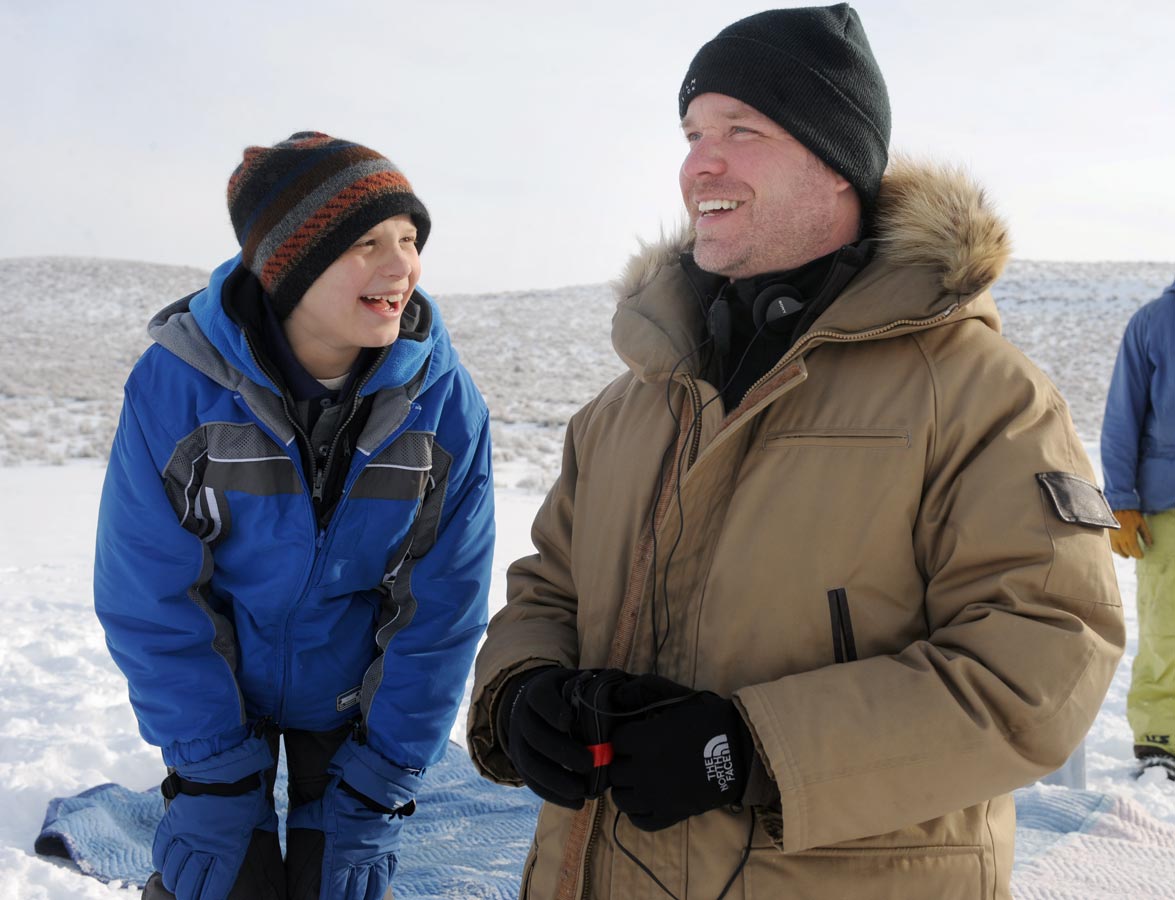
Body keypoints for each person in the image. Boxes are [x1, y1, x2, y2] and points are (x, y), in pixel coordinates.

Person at [466, 6, 1124, 899]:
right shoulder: (629, 403)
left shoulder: (976, 394)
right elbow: (548, 587)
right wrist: (521, 689)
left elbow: (1042, 656)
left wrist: (750, 751)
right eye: (694, 131)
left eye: (743, 130)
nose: (701, 161)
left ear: (838, 160)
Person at [94, 132, 494, 900]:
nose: (400, 266)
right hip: (220, 699)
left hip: (354, 709)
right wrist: (209, 775)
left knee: (337, 883)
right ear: (290, 265)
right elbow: (148, 592)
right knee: (211, 881)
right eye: (367, 242)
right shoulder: (176, 388)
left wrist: (382, 777)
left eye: (409, 240)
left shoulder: (445, 404)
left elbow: (440, 609)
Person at [1102, 276, 1175, 777]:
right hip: (1166, 505)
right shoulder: (1153, 323)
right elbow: (1121, 418)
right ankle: (1160, 740)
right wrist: (1121, 502)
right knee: (1167, 630)